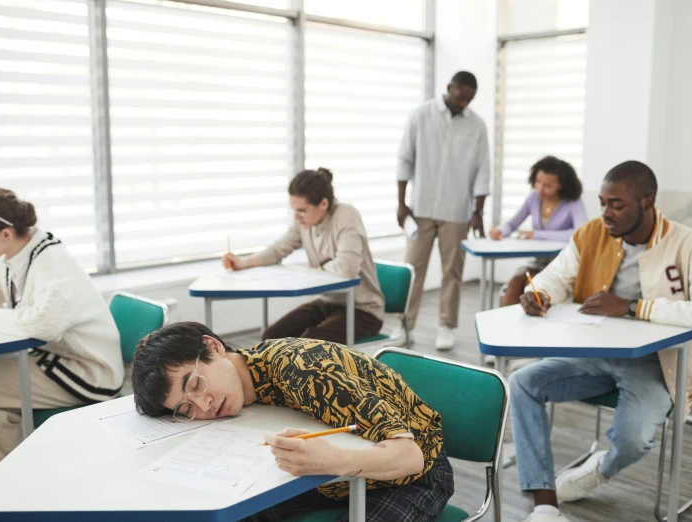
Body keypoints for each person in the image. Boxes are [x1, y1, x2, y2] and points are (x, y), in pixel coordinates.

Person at [508, 161, 692, 522]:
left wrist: (634, 307)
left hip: (654, 364)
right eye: (603, 202)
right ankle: (545, 502)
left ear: (647, 201)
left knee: (632, 439)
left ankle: (601, 467)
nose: (606, 213)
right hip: (594, 353)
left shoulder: (690, 243)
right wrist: (538, 293)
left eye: (617, 204)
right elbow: (556, 276)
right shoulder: (591, 234)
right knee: (522, 382)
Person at [131, 322, 453, 522]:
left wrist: (332, 460)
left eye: (196, 384)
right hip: (332, 482)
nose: (204, 404)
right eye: (186, 410)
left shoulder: (302, 370)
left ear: (212, 346)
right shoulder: (248, 380)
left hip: (414, 475)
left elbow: (411, 458)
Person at [0, 187, 123, 508]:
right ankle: (4, 500)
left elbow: (43, 326)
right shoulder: (14, 255)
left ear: (5, 233)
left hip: (88, 373)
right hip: (53, 361)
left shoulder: (51, 263)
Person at [222, 168, 384, 344]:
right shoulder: (304, 222)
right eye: (294, 210)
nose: (297, 217)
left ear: (323, 204)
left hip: (362, 310)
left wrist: (321, 266)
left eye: (302, 210)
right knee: (271, 338)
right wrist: (243, 263)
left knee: (308, 343)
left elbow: (347, 269)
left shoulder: (346, 215)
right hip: (326, 303)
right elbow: (278, 250)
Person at [396, 71, 491, 349]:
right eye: (461, 96)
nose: (464, 103)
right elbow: (404, 159)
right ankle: (405, 325)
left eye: (470, 99)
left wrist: (479, 212)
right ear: (450, 88)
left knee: (452, 272)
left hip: (456, 212)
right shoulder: (420, 115)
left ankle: (446, 326)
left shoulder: (477, 126)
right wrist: (401, 203)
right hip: (420, 209)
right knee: (412, 270)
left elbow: (482, 171)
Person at [489, 156, 587, 306]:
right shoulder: (534, 198)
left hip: (561, 267)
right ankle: (504, 325)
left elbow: (580, 234)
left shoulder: (573, 202)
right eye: (538, 182)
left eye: (548, 185)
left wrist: (537, 234)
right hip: (537, 262)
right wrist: (500, 231)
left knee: (531, 287)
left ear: (562, 185)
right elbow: (512, 224)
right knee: (516, 281)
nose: (540, 189)